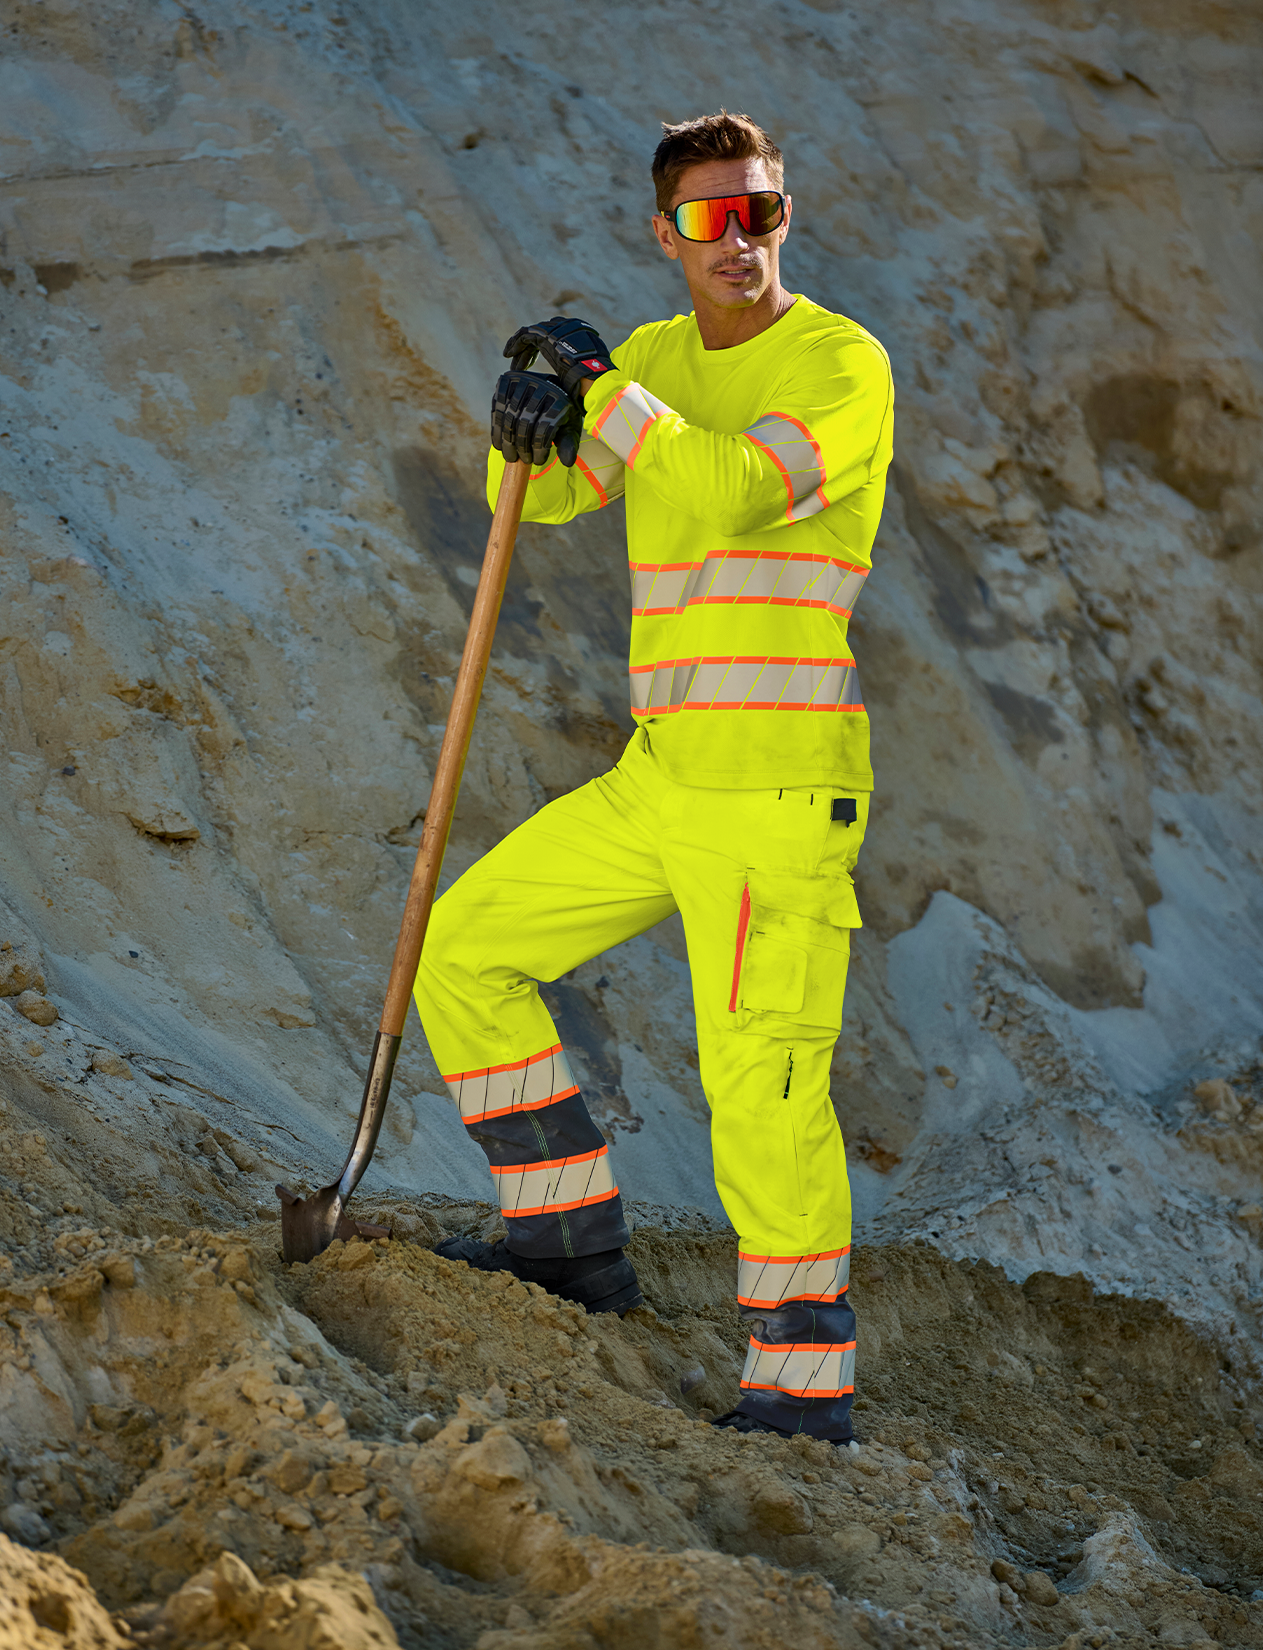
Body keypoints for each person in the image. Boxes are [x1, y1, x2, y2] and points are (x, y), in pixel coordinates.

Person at [413, 110, 893, 1444]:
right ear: (664, 232)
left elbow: (736, 486)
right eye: (706, 220)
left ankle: (802, 1388)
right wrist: (525, 419)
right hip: (660, 777)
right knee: (464, 946)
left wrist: (603, 384)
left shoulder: (842, 363)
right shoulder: (664, 358)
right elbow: (546, 500)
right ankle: (564, 1235)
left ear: (782, 216)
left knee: (763, 1083)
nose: (736, 241)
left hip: (779, 794)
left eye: (759, 213)